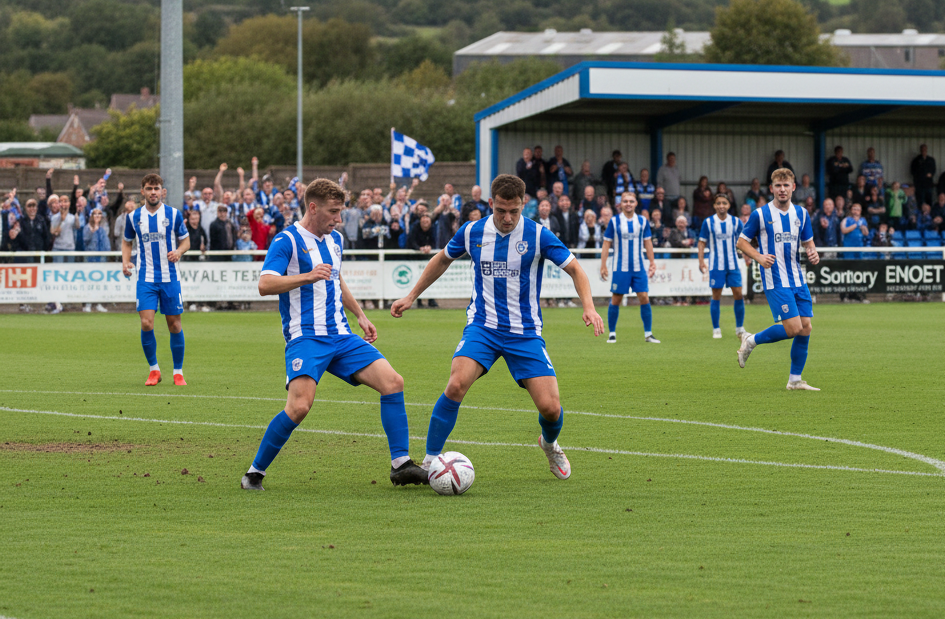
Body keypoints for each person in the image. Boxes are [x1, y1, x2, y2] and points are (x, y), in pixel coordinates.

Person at [390, 174, 603, 480]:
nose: (506, 218)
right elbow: (441, 259)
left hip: (525, 332)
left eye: (514, 211)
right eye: (500, 210)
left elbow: (575, 269)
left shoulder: (538, 235)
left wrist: (589, 306)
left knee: (551, 409)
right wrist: (411, 295)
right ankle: (430, 461)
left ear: (523, 205)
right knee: (456, 384)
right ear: (490, 203)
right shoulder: (473, 231)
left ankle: (550, 443)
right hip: (483, 327)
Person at [242, 178, 427, 492]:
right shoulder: (287, 240)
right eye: (333, 212)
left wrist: (360, 315)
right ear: (313, 208)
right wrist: (306, 276)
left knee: (393, 382)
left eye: (340, 212)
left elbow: (335, 282)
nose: (338, 219)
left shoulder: (335, 240)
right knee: (299, 406)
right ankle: (254, 474)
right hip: (306, 337)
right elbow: (265, 285)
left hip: (341, 335)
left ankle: (401, 465)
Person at [735, 169, 822, 391]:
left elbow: (808, 244)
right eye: (777, 186)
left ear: (793, 187)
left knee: (806, 328)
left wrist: (813, 253)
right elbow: (742, 243)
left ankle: (795, 380)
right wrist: (759, 257)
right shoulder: (760, 215)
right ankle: (751, 340)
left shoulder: (802, 214)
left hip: (797, 278)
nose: (782, 189)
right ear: (771, 188)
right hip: (775, 279)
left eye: (786, 185)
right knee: (793, 328)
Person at [121, 174, 190, 386]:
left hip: (170, 278)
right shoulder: (133, 217)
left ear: (163, 192)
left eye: (156, 188)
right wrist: (125, 262)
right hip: (146, 277)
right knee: (146, 322)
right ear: (142, 191)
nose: (153, 192)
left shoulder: (174, 214)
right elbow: (126, 242)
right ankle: (154, 370)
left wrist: (178, 252)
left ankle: (177, 372)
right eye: (149, 188)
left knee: (174, 324)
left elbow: (186, 240)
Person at [600, 191, 659, 344]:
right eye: (625, 201)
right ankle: (612, 333)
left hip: (638, 267)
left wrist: (652, 262)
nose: (628, 204)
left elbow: (648, 242)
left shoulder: (642, 221)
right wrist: (603, 264)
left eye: (631, 201)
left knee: (644, 297)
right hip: (621, 267)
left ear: (636, 203)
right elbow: (607, 242)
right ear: (620, 204)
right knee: (616, 298)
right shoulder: (614, 221)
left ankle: (648, 334)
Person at [697, 193, 746, 340]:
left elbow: (744, 240)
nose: (721, 206)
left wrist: (748, 256)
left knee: (738, 293)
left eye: (724, 203)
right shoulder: (708, 222)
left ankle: (739, 328)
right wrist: (701, 261)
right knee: (716, 295)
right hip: (716, 265)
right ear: (714, 206)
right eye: (718, 203)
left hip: (733, 264)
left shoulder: (736, 222)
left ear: (729, 205)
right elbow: (701, 242)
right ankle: (716, 328)